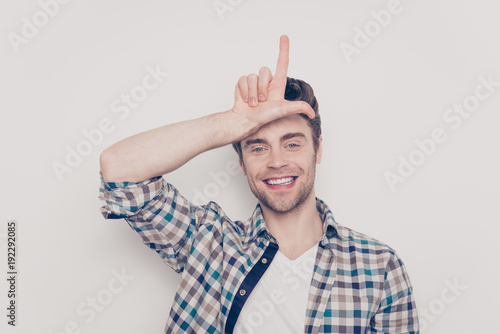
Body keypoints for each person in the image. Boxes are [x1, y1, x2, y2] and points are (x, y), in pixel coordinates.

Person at [98, 35, 419, 334]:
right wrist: (234, 123)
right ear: (241, 161)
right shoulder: (208, 243)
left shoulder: (378, 266)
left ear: (318, 150)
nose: (276, 161)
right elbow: (119, 169)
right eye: (258, 147)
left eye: (292, 143)